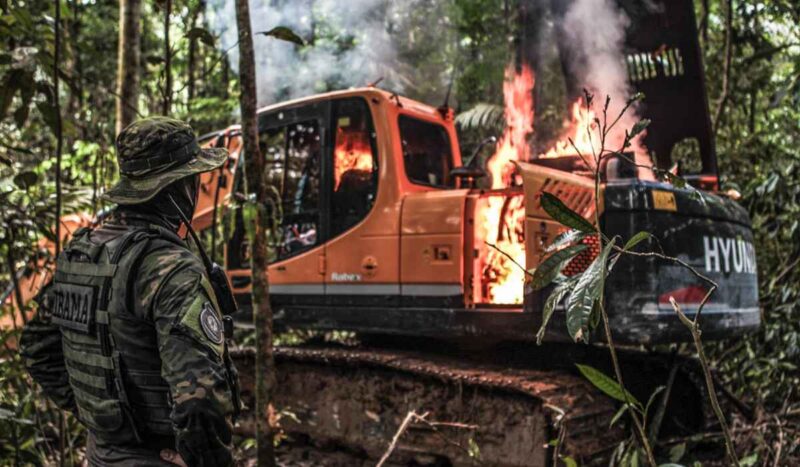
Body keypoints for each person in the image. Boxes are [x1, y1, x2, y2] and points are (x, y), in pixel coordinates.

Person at [20, 117, 241, 466]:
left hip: (100, 454)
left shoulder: (81, 254)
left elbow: (36, 347)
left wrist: (102, 419)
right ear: (179, 187)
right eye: (193, 178)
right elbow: (200, 399)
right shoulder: (170, 268)